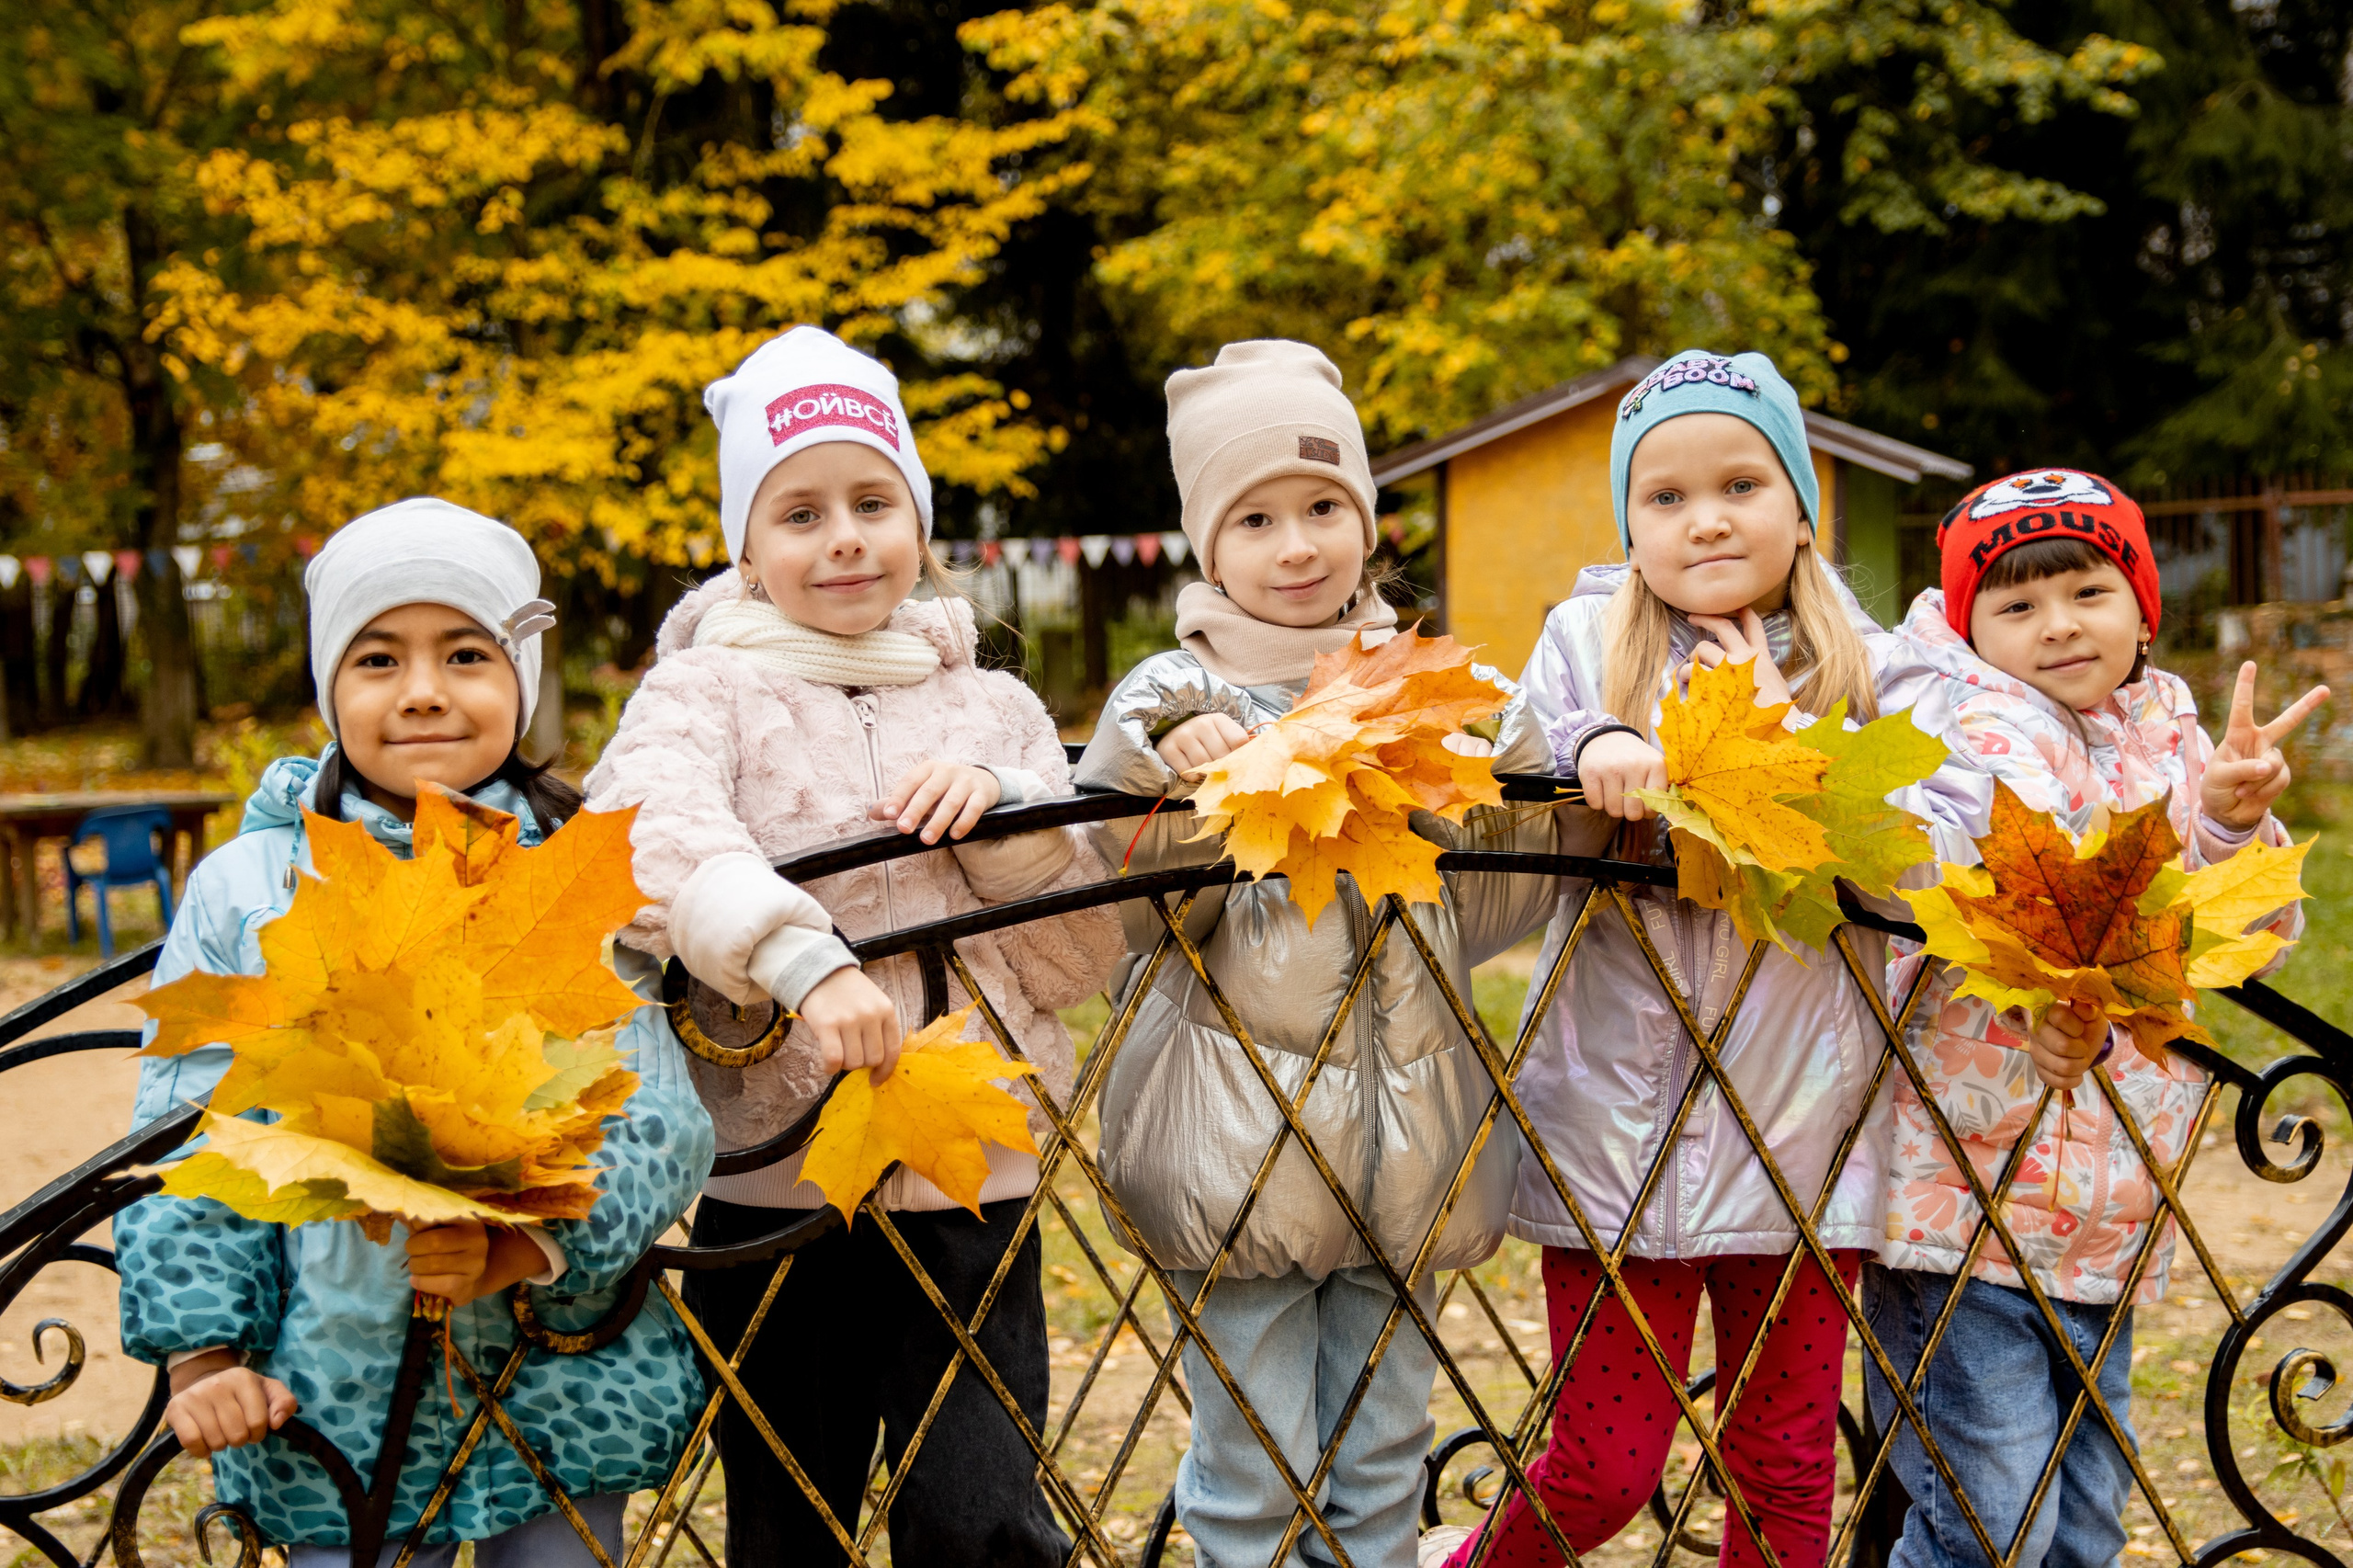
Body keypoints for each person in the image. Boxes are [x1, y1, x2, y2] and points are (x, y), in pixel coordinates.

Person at [1425, 349, 1981, 1568]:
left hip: (1802, 1140)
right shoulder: (1589, 639)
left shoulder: (1879, 669)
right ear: (1630, 524)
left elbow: (1939, 850)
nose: (1707, 518)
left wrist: (1796, 745)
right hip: (1615, 1143)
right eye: (1666, 495)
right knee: (1601, 1470)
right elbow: (1522, 763)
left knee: (1783, 1467)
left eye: (1741, 483)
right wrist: (1596, 744)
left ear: (1802, 508)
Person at [582, 325, 1125, 1567]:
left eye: (874, 502)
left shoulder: (993, 704)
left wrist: (1009, 821)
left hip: (968, 1166)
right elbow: (650, 831)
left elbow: (1074, 962)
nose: (843, 537)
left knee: (980, 1515)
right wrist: (799, 954)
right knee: (790, 1516)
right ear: (746, 549)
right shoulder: (701, 693)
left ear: (919, 524)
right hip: (774, 1176)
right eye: (800, 512)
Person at [116, 499, 716, 1568]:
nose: (425, 689)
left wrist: (522, 1243)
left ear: (520, 677)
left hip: (558, 1375)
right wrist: (203, 1356)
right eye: (379, 657)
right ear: (330, 685)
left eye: (467, 653)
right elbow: (193, 1134)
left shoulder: (574, 880)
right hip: (332, 1385)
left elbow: (656, 1118)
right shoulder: (254, 889)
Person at [1075, 339, 1561, 1568]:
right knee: (1253, 1469)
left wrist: (1540, 766)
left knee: (1384, 1453)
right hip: (1238, 1147)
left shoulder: (1424, 690)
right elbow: (1122, 909)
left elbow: (1491, 897)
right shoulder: (1170, 700)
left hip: (1405, 1145)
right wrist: (1180, 783)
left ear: (1366, 521)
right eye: (1256, 519)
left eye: (1324, 508)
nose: (1296, 546)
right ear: (1207, 546)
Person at [1863, 469, 2319, 1568]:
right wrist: (2049, 994)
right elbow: (1970, 894)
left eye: (2087, 591)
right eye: (2017, 603)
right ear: (1971, 627)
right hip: (1964, 1203)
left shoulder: (2174, 734)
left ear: (2142, 607)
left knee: (2084, 1527)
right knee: (1988, 1528)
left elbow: (2248, 937)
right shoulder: (1954, 728)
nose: (2059, 624)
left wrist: (2227, 825)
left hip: (2111, 1210)